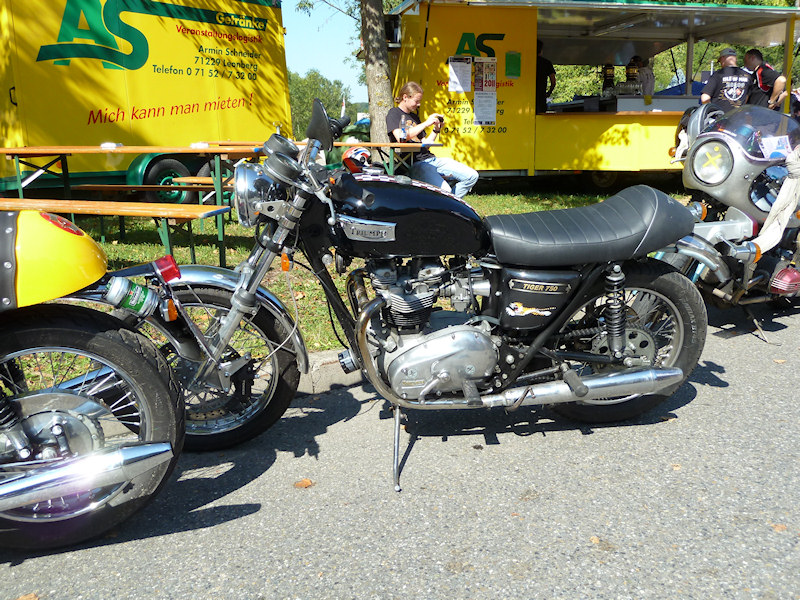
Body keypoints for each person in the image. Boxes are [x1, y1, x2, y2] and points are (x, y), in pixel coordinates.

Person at [385, 81, 479, 199]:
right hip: (416, 163)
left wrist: (436, 129)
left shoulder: (414, 117)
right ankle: (447, 204)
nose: (418, 104)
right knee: (445, 191)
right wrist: (426, 123)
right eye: (416, 101)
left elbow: (426, 144)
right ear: (405, 97)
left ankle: (449, 205)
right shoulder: (394, 113)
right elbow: (401, 137)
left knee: (472, 176)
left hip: (431, 160)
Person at [700, 47, 752, 112]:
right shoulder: (748, 76)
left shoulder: (718, 75)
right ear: (736, 59)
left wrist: (712, 112)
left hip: (720, 116)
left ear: (723, 58)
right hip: (739, 116)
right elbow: (746, 98)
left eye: (720, 61)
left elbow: (705, 97)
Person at [536, 40, 556, 113]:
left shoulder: (525, 62)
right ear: (541, 50)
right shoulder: (546, 63)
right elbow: (553, 82)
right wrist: (549, 92)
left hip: (526, 96)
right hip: (541, 97)